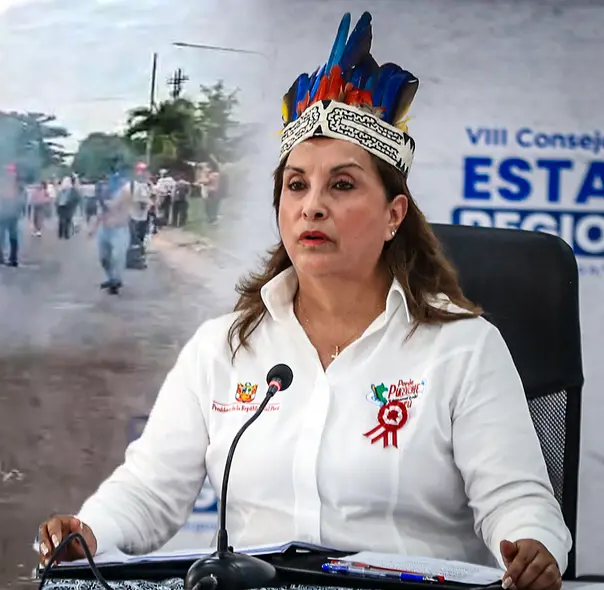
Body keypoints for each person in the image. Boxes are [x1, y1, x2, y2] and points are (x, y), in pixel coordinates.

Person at [38, 12, 570, 590]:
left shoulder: (463, 347)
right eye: (296, 185)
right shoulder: (222, 348)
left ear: (394, 216)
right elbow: (150, 489)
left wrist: (533, 547)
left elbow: (516, 499)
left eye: (341, 185)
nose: (312, 206)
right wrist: (88, 532)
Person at [89, 169, 132, 295]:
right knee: (104, 258)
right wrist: (93, 228)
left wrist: (102, 197)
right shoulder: (104, 192)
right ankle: (111, 278)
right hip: (105, 229)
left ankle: (116, 280)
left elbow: (113, 205)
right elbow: (100, 212)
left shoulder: (125, 191)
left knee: (118, 257)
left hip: (120, 229)